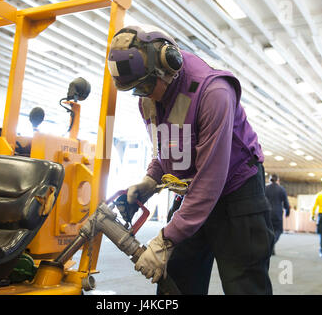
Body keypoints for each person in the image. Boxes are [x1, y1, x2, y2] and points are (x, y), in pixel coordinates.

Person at [107, 25, 274, 295]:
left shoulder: (214, 93)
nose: (145, 94)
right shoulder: (149, 100)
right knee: (177, 284)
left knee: (244, 285)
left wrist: (165, 240)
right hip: (194, 190)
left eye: (147, 85)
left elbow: (210, 179)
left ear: (168, 64)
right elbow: (169, 151)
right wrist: (150, 180)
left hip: (236, 192)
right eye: (137, 90)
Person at [265, 173, 290, 255]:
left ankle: (271, 249)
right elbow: (286, 202)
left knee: (269, 230)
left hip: (267, 212)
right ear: (277, 180)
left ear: (269, 179)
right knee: (279, 230)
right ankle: (271, 244)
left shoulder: (265, 188)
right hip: (277, 213)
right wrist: (287, 211)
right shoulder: (281, 189)